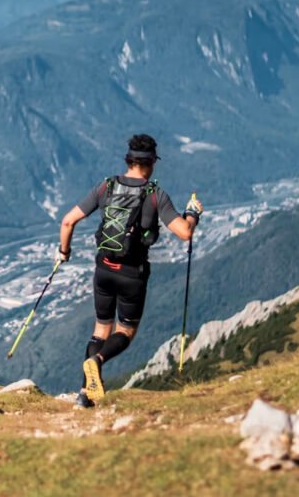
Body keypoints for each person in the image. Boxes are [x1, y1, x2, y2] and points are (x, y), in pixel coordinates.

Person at [56, 133, 202, 407]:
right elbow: (184, 233)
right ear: (152, 163)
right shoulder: (155, 194)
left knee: (100, 330)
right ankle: (96, 361)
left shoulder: (106, 187)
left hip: (103, 269)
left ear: (129, 159)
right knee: (124, 332)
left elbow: (67, 222)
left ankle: (85, 395)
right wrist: (192, 213)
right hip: (131, 274)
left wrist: (64, 252)